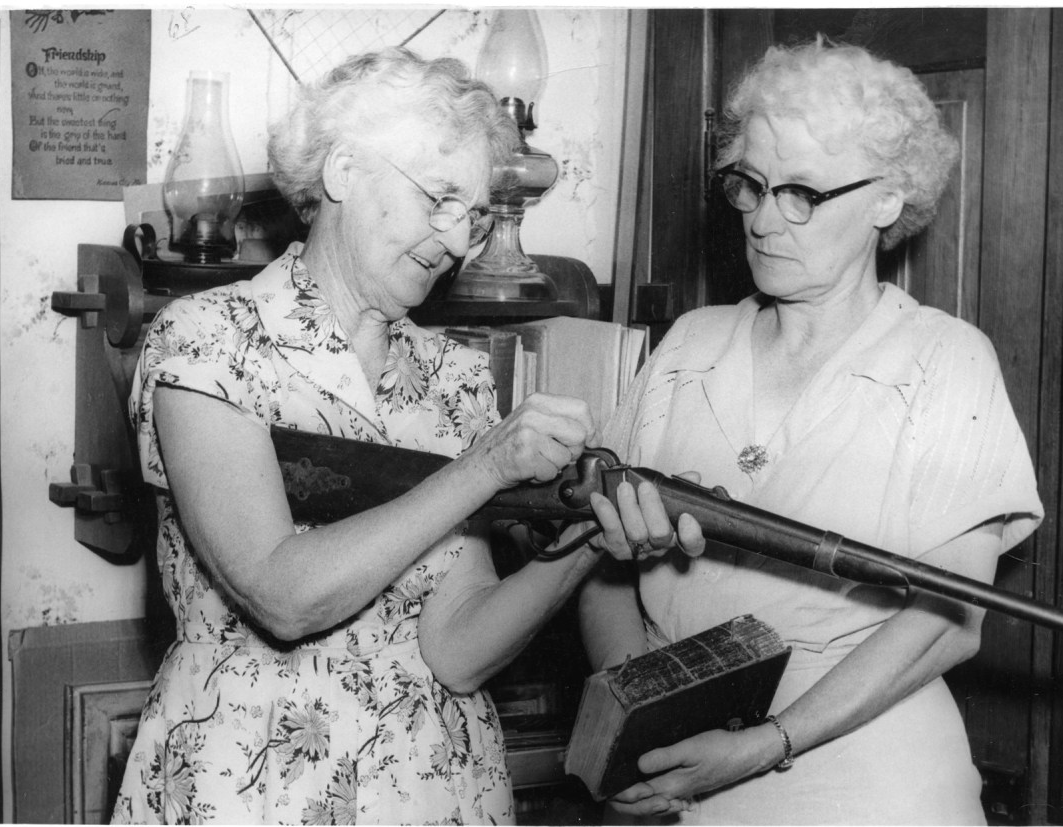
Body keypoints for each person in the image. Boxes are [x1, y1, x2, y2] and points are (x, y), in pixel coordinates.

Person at [110, 47, 680, 825]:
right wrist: (483, 468)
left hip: (435, 790)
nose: (458, 241)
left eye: (473, 216)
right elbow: (283, 595)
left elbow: (457, 650)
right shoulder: (209, 341)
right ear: (344, 170)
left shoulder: (454, 375)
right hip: (255, 787)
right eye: (439, 199)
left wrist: (589, 538)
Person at [578, 38, 1045, 825]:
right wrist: (640, 718)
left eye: (801, 193)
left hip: (863, 781)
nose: (763, 220)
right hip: (675, 778)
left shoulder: (944, 361)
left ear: (887, 199)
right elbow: (600, 563)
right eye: (751, 185)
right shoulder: (689, 345)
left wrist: (767, 742)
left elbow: (949, 622)